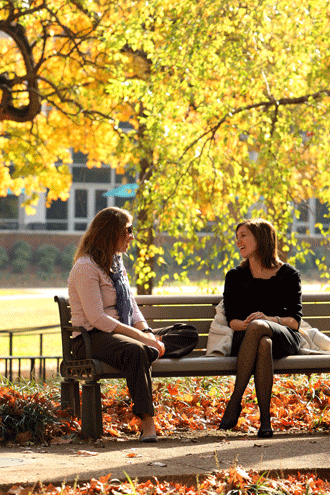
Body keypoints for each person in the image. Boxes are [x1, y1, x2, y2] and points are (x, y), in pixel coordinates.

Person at [68, 206, 198, 443]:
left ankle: (151, 350)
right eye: (128, 230)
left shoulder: (116, 264)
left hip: (121, 333)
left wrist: (147, 332)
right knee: (136, 350)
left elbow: (132, 306)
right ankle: (147, 422)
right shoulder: (86, 267)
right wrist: (141, 339)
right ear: (110, 233)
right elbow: (97, 318)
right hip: (91, 338)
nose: (132, 235)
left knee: (187, 333)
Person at [219, 218, 302, 438]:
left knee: (261, 329)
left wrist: (269, 319)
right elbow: (233, 320)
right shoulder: (235, 276)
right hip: (247, 339)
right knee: (262, 342)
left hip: (284, 337)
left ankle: (235, 400)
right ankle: (265, 421)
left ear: (261, 238)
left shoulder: (289, 275)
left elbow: (294, 322)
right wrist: (248, 325)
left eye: (243, 235)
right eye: (237, 237)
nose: (238, 241)